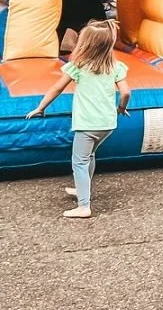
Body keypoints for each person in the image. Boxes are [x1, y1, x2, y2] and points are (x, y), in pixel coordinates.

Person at [26, 19, 131, 219]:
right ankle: (84, 189)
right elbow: (126, 92)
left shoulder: (79, 66)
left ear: (85, 44)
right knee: (89, 156)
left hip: (87, 124)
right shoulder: (116, 67)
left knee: (79, 162)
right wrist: (121, 107)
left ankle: (84, 206)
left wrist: (41, 108)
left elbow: (57, 88)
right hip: (107, 124)